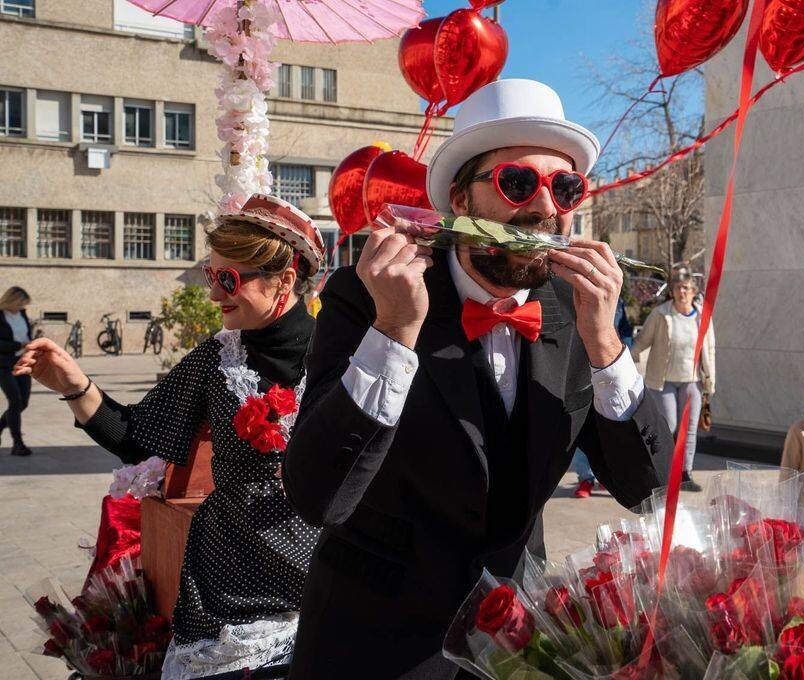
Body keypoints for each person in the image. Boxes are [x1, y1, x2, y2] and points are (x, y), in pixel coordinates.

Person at [282, 79, 670, 678]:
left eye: (565, 188)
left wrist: (607, 346)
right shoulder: (367, 297)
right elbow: (316, 494)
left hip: (512, 642)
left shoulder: (575, 316)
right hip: (372, 643)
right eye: (519, 183)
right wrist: (392, 333)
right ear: (461, 201)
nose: (544, 208)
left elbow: (644, 485)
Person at [14, 194, 325, 678]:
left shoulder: (343, 359)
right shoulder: (217, 359)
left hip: (323, 584)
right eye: (211, 276)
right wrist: (75, 385)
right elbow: (136, 435)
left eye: (229, 280)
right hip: (227, 591)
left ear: (284, 280)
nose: (215, 294)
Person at [632, 271, 715, 492]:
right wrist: (624, 357)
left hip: (692, 380)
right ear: (672, 291)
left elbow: (710, 349)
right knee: (668, 426)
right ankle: (662, 472)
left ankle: (685, 474)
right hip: (664, 381)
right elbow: (642, 341)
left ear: (693, 292)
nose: (682, 292)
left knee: (688, 430)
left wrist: (710, 380)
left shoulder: (701, 317)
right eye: (678, 288)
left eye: (686, 288)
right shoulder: (660, 314)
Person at [572, 302, 635, 498]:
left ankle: (606, 476)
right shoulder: (569, 292)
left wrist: (622, 352)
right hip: (579, 368)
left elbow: (625, 329)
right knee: (582, 424)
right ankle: (585, 478)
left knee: (609, 424)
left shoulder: (617, 300)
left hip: (607, 369)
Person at [0, 286, 33, 456]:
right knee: (15, 401)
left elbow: (25, 334)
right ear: (11, 300)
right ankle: (17, 444)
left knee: (23, 403)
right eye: (20, 303)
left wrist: (32, 341)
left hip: (23, 362)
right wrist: (18, 345)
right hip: (4, 364)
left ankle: (0, 425)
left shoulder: (22, 314)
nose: (22, 307)